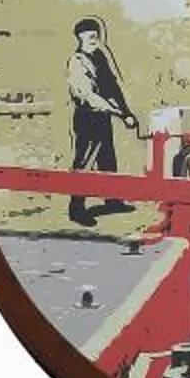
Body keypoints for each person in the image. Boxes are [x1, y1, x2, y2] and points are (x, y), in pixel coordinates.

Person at [64, 16, 139, 225]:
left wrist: (127, 111)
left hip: (103, 117)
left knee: (107, 159)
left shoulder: (100, 57)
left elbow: (112, 87)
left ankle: (112, 200)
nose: (92, 40)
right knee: (84, 163)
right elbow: (89, 96)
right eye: (88, 37)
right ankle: (76, 209)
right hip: (87, 117)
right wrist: (120, 114)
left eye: (95, 36)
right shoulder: (77, 61)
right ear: (79, 38)